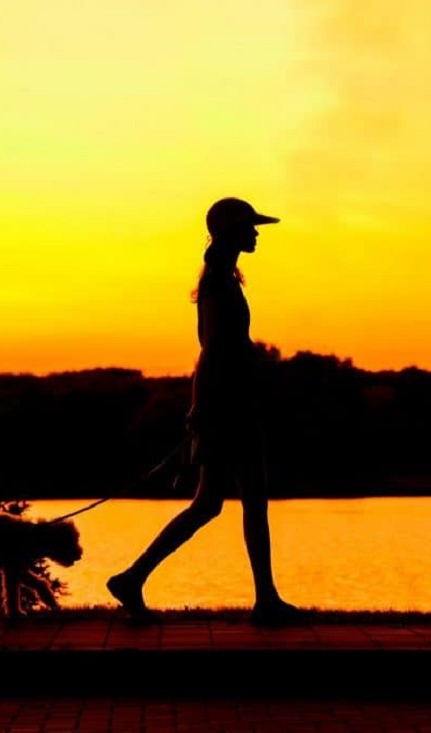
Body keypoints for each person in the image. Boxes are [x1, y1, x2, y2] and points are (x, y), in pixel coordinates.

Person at [106, 197, 303, 626]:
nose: (256, 233)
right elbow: (213, 349)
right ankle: (263, 599)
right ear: (231, 231)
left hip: (232, 401)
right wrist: (206, 407)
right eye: (250, 227)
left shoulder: (224, 278)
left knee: (219, 502)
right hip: (228, 405)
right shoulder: (219, 282)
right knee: (236, 500)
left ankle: (134, 578)